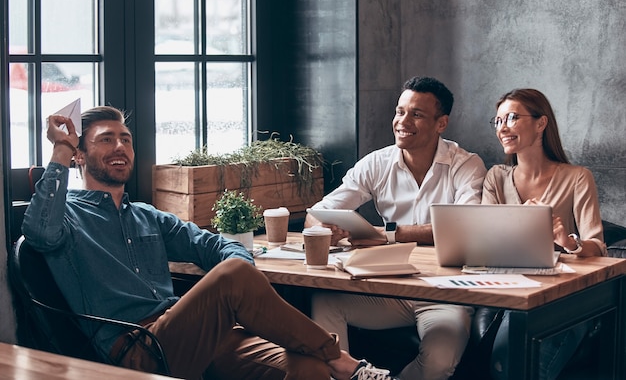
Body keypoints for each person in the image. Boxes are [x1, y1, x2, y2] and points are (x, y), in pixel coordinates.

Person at [21, 105, 399, 380]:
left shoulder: (147, 216)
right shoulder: (67, 217)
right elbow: (38, 233)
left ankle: (330, 360)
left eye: (126, 139)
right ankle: (346, 362)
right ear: (80, 156)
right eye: (106, 140)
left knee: (308, 367)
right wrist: (59, 150)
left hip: (197, 332)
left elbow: (215, 246)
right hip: (139, 349)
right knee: (237, 278)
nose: (120, 146)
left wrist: (245, 290)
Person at [306, 76, 487, 380]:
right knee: (325, 301)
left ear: (441, 123)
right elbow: (317, 214)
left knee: (439, 362)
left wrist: (388, 234)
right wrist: (327, 228)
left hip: (445, 295)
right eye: (400, 111)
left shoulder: (466, 165)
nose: (403, 121)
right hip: (389, 289)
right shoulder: (376, 163)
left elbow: (464, 228)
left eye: (416, 114)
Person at [482, 88, 607, 380]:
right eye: (498, 121)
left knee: (522, 364)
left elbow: (598, 246)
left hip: (561, 293)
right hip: (510, 288)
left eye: (512, 118)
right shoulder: (496, 177)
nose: (503, 128)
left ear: (541, 123)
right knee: (504, 361)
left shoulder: (577, 177)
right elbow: (487, 240)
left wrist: (566, 242)